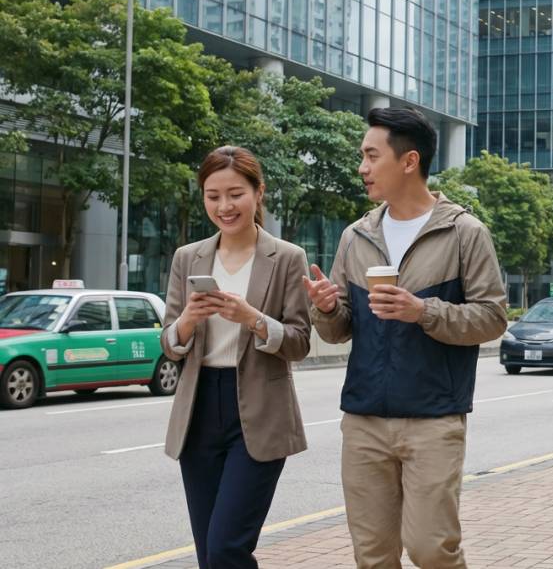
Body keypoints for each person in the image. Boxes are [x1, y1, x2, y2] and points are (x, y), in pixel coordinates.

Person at [304, 107, 507, 569]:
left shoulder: (463, 232)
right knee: (372, 555)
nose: (362, 168)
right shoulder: (357, 236)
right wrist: (327, 306)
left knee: (431, 548)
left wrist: (423, 311)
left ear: (409, 161)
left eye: (371, 156)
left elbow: (493, 318)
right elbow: (339, 330)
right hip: (364, 417)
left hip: (434, 416)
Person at [160, 146, 313, 568]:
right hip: (199, 409)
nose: (224, 206)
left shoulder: (286, 257)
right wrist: (187, 321)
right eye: (213, 196)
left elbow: (300, 342)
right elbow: (170, 344)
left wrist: (255, 320)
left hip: (261, 412)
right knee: (210, 553)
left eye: (235, 194)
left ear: (258, 192)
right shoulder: (187, 257)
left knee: (228, 547)